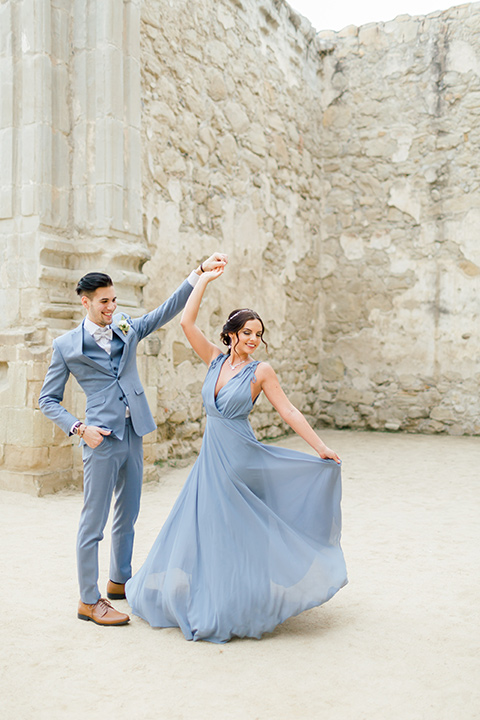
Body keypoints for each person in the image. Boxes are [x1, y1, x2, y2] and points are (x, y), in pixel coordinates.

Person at [125, 265, 348, 643]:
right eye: (247, 333)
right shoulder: (213, 358)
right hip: (211, 459)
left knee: (235, 529)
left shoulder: (262, 371)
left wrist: (321, 447)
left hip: (241, 459)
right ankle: (213, 596)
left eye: (259, 335)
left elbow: (289, 411)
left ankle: (239, 602)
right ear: (231, 335)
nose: (254, 340)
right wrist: (203, 279)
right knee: (208, 527)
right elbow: (186, 323)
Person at [38, 253, 228, 627]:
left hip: (134, 432)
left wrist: (198, 273)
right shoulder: (66, 346)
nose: (111, 307)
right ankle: (88, 601)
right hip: (100, 439)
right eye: (104, 301)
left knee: (129, 514)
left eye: (113, 300)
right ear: (86, 302)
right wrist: (80, 429)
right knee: (93, 522)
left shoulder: (125, 327)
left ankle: (118, 582)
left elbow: (163, 311)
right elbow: (47, 400)